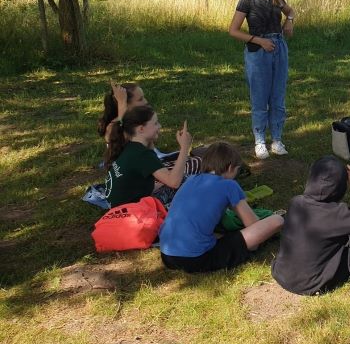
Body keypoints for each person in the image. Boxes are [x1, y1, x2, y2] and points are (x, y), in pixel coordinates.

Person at [272, 155, 350, 295]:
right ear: (340, 186)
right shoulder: (339, 214)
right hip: (314, 284)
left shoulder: (296, 202)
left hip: (280, 273)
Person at [159, 142, 284, 273]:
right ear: (230, 167)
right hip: (195, 259)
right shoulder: (229, 185)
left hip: (167, 255)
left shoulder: (191, 179)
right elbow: (253, 225)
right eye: (237, 170)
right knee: (277, 221)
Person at [228, 0, 295, 160]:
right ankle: (259, 141)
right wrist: (260, 41)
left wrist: (289, 21)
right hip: (258, 52)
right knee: (259, 98)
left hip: (279, 48)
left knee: (278, 97)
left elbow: (290, 11)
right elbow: (233, 30)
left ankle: (277, 140)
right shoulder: (247, 0)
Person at [98, 80, 202, 174]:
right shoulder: (113, 127)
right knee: (198, 163)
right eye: (140, 99)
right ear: (126, 105)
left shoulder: (136, 121)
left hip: (148, 165)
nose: (146, 102)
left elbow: (150, 151)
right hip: (138, 173)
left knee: (198, 160)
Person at [104, 106, 192, 207]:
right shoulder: (143, 154)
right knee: (186, 181)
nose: (159, 126)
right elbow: (174, 182)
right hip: (134, 211)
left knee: (174, 181)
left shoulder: (129, 146)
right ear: (141, 129)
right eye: (155, 123)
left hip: (117, 207)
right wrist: (185, 147)